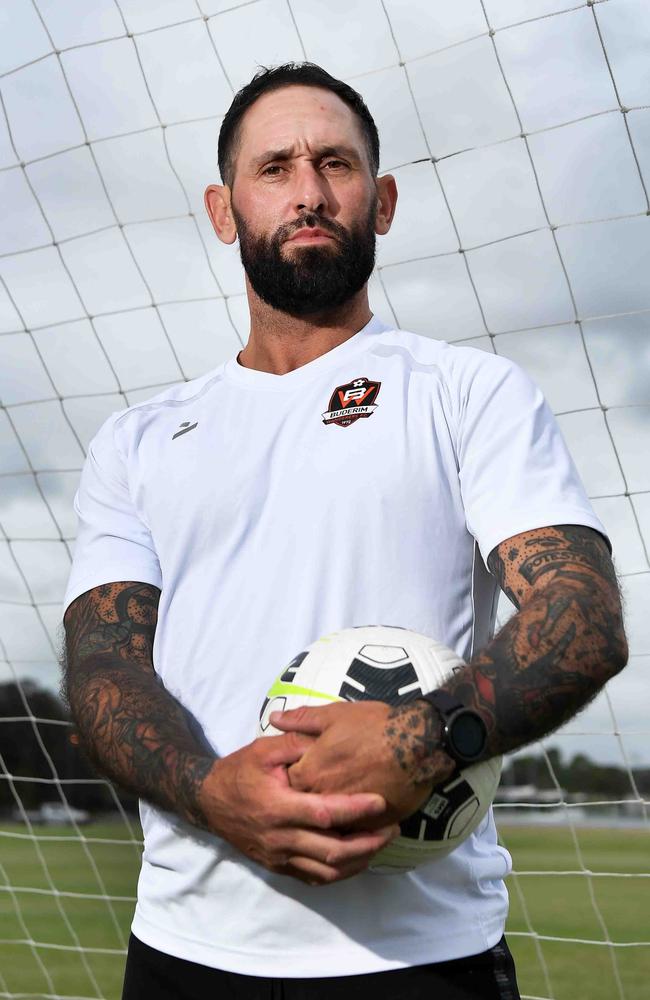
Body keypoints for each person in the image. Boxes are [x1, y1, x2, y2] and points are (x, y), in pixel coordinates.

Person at [62, 62, 628, 1000]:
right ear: (222, 206)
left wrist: (426, 735)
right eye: (275, 166)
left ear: (384, 198)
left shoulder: (466, 392)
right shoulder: (141, 438)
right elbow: (102, 669)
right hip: (185, 953)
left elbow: (583, 615)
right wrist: (212, 792)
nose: (311, 191)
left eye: (337, 163)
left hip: (423, 959)